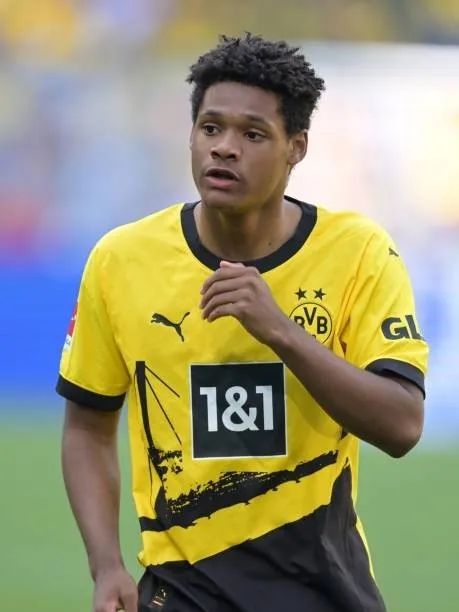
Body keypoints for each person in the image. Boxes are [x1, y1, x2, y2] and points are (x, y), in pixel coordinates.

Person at [57, 33, 428, 612]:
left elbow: (402, 425)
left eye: (253, 134)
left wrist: (280, 331)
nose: (225, 148)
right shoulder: (120, 260)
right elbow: (87, 425)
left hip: (323, 592)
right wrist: (106, 565)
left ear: (296, 148)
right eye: (211, 128)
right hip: (180, 593)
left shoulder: (358, 252)